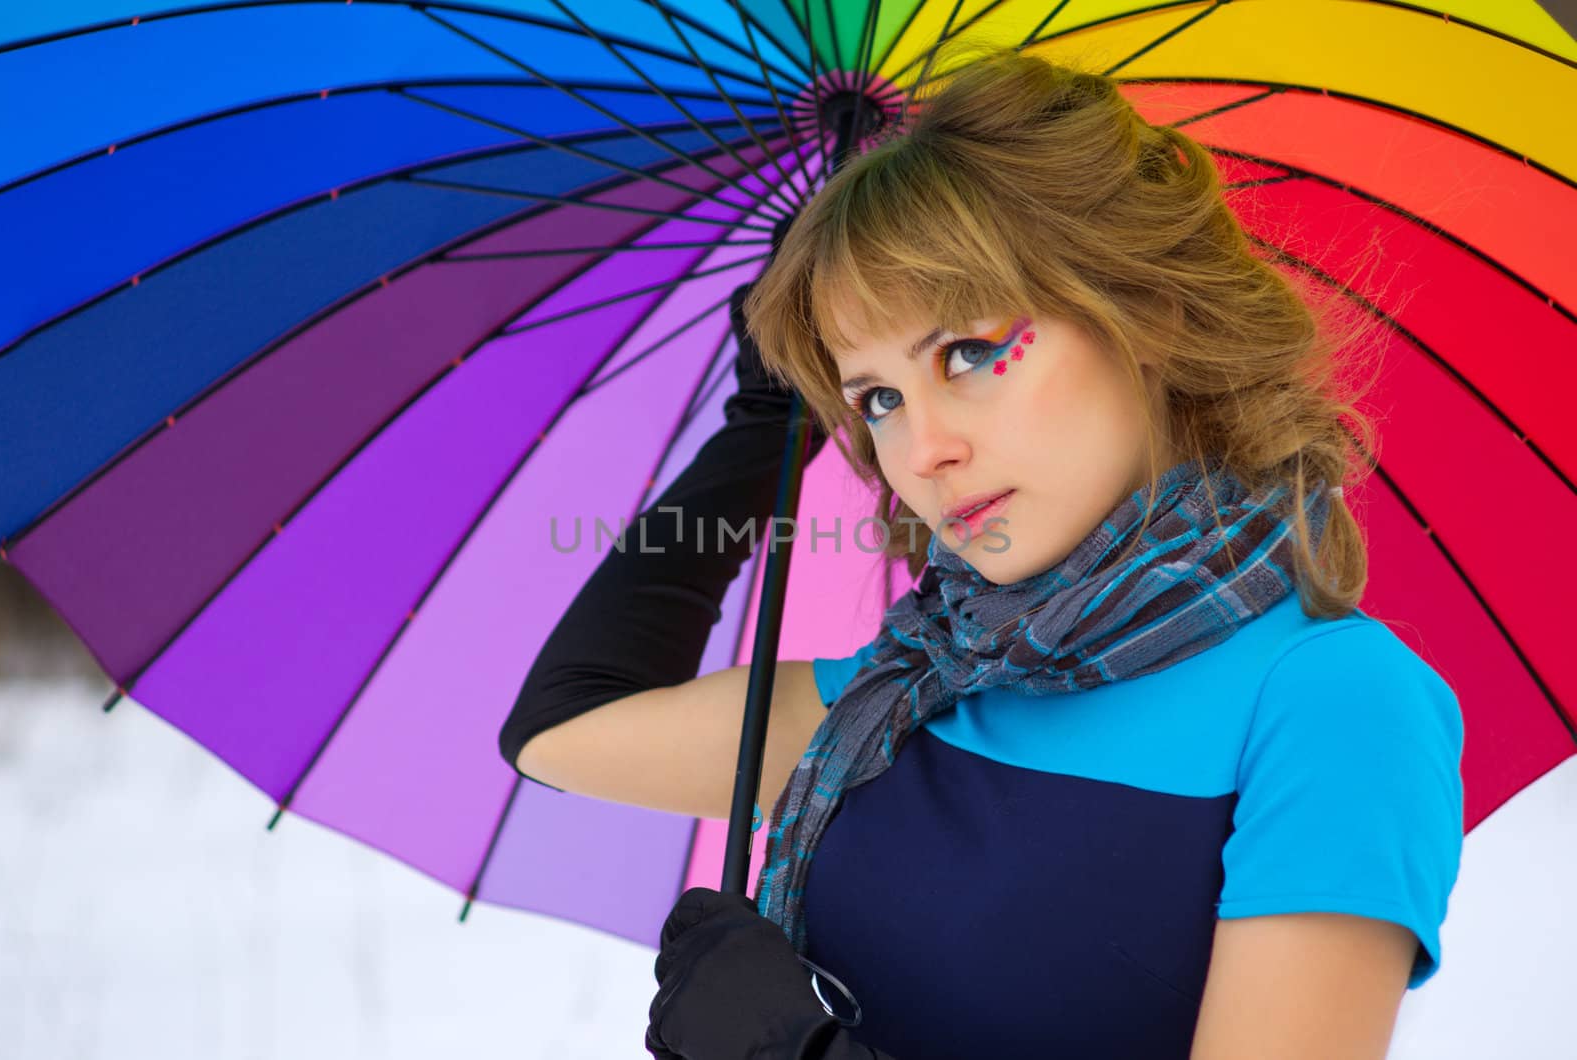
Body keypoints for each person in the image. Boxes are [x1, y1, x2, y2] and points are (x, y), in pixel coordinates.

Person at [498, 48, 1465, 1060]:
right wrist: (761, 424)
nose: (922, 451)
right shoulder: (920, 685)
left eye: (966, 354)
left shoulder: (1332, 699)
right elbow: (564, 726)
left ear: (1145, 314)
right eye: (876, 397)